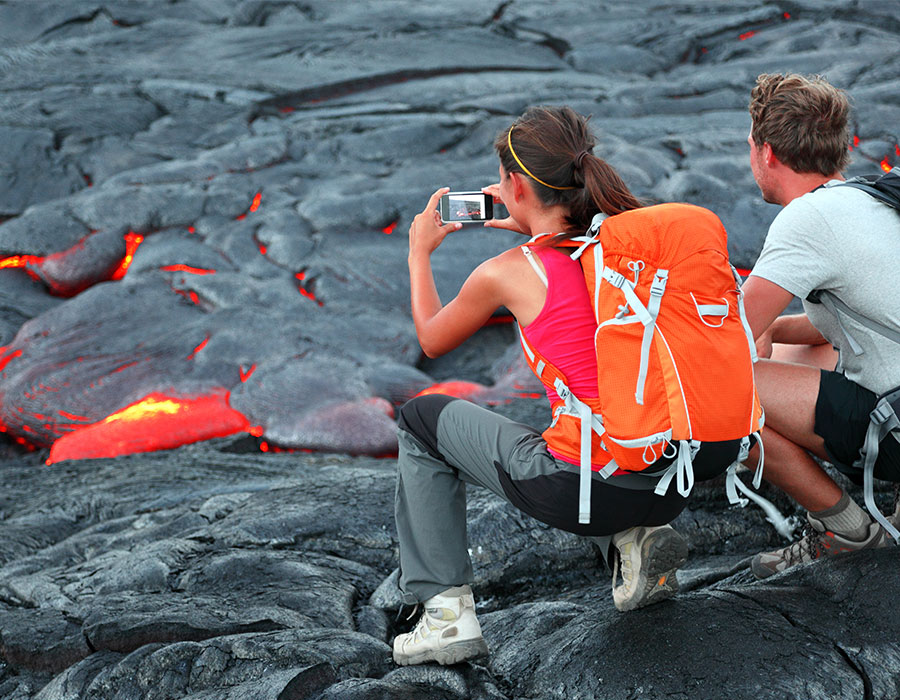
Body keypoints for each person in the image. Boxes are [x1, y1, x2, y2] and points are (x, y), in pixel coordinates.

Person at [392, 106, 747, 667]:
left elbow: (432, 340)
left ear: (512, 185)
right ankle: (632, 543)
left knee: (420, 420)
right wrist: (532, 220)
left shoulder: (508, 272)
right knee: (604, 412)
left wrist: (419, 251)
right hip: (670, 479)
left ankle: (444, 615)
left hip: (583, 490)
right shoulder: (625, 251)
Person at [740, 73, 900, 579]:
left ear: (766, 152)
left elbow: (727, 334)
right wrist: (769, 335)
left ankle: (849, 530)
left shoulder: (806, 220)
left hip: (895, 425)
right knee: (786, 360)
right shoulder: (867, 198)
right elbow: (848, 323)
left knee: (711, 392)